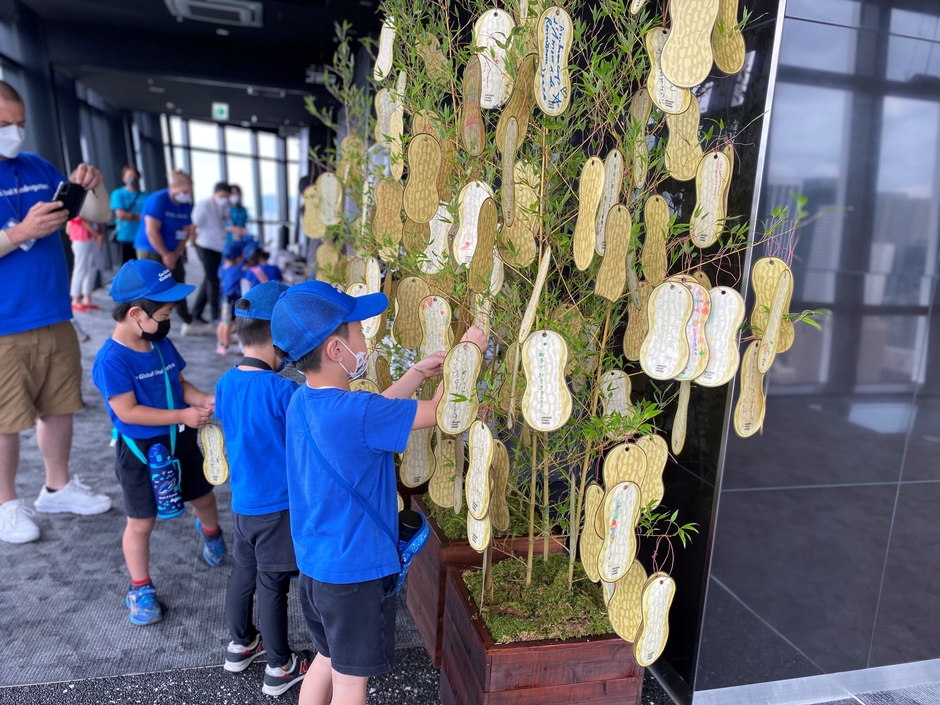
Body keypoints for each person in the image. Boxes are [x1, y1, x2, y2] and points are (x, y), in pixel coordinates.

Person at [270, 280, 487, 705]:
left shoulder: (303, 402)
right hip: (354, 574)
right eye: (357, 331)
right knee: (351, 685)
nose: (364, 339)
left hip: (316, 568)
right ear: (336, 350)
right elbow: (445, 414)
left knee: (325, 661)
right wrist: (468, 353)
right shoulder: (358, 412)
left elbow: (373, 418)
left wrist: (414, 374)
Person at [0, 79, 112, 545]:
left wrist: (96, 187)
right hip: (5, 325)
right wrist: (19, 231)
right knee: (5, 421)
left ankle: (57, 485)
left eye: (20, 123)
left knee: (60, 406)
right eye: (5, 124)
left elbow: (99, 216)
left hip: (54, 313)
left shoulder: (38, 166)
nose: (16, 132)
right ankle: (5, 504)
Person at [92, 259, 226, 626]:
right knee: (141, 521)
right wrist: (182, 415)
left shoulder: (160, 342)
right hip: (140, 452)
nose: (167, 321)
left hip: (179, 439)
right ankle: (140, 587)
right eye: (163, 313)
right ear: (136, 313)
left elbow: (179, 384)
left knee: (203, 495)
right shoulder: (111, 360)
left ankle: (212, 533)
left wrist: (200, 400)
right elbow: (129, 412)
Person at [216, 281, 312, 697]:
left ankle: (241, 643)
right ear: (279, 338)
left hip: (243, 502)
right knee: (274, 583)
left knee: (244, 573)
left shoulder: (225, 383)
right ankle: (280, 665)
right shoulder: (283, 389)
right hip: (278, 506)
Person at [134, 170, 205, 336]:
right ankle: (147, 323)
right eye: (185, 191)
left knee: (178, 282)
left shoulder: (185, 205)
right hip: (151, 248)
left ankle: (186, 320)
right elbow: (152, 232)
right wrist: (165, 254)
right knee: (153, 285)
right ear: (174, 187)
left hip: (173, 249)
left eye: (190, 191)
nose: (187, 195)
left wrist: (175, 254)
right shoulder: (158, 200)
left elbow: (186, 231)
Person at [191, 181, 232, 325]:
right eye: (222, 196)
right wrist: (194, 245)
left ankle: (196, 312)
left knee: (208, 280)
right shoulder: (203, 206)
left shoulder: (225, 206)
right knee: (214, 281)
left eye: (227, 196)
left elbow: (224, 224)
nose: (224, 199)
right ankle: (216, 315)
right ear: (215, 194)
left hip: (218, 247)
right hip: (205, 246)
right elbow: (193, 226)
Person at [111, 165, 147, 264]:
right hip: (125, 236)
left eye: (135, 176)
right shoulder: (118, 194)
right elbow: (120, 214)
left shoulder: (146, 196)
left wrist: (130, 216)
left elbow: (149, 216)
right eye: (130, 175)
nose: (133, 178)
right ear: (123, 178)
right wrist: (138, 216)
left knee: (143, 268)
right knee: (127, 268)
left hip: (143, 238)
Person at [67, 216, 104, 312]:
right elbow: (82, 221)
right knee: (80, 268)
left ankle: (87, 298)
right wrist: (97, 234)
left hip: (91, 236)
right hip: (81, 237)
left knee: (90, 268)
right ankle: (75, 300)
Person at [216, 240, 245, 355]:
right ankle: (226, 346)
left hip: (223, 298)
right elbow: (245, 270)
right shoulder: (235, 270)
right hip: (230, 300)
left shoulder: (223, 267)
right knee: (227, 323)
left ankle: (220, 343)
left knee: (222, 322)